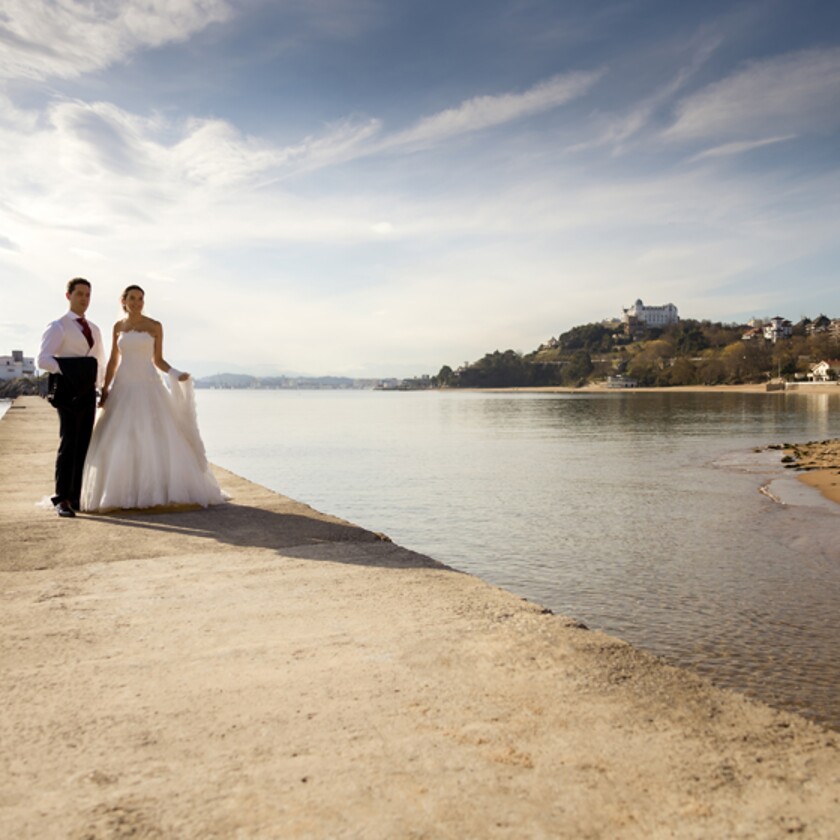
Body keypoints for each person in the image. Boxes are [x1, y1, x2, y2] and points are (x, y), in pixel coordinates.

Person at [80, 284, 226, 512]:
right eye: (132, 298)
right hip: (123, 385)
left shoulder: (155, 326)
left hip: (148, 384)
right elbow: (113, 362)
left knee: (155, 434)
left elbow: (158, 360)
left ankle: (158, 489)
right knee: (120, 436)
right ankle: (121, 491)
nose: (137, 302)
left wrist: (176, 374)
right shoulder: (118, 327)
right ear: (124, 301)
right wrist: (106, 388)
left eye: (140, 299)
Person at [38, 277, 107, 518]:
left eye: (88, 295)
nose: (84, 299)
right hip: (67, 393)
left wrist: (100, 389)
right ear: (68, 296)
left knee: (84, 445)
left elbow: (99, 362)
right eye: (80, 294)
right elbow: (43, 359)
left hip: (88, 393)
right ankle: (61, 499)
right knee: (68, 444)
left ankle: (77, 495)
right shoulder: (58, 326)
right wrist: (71, 370)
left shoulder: (95, 330)